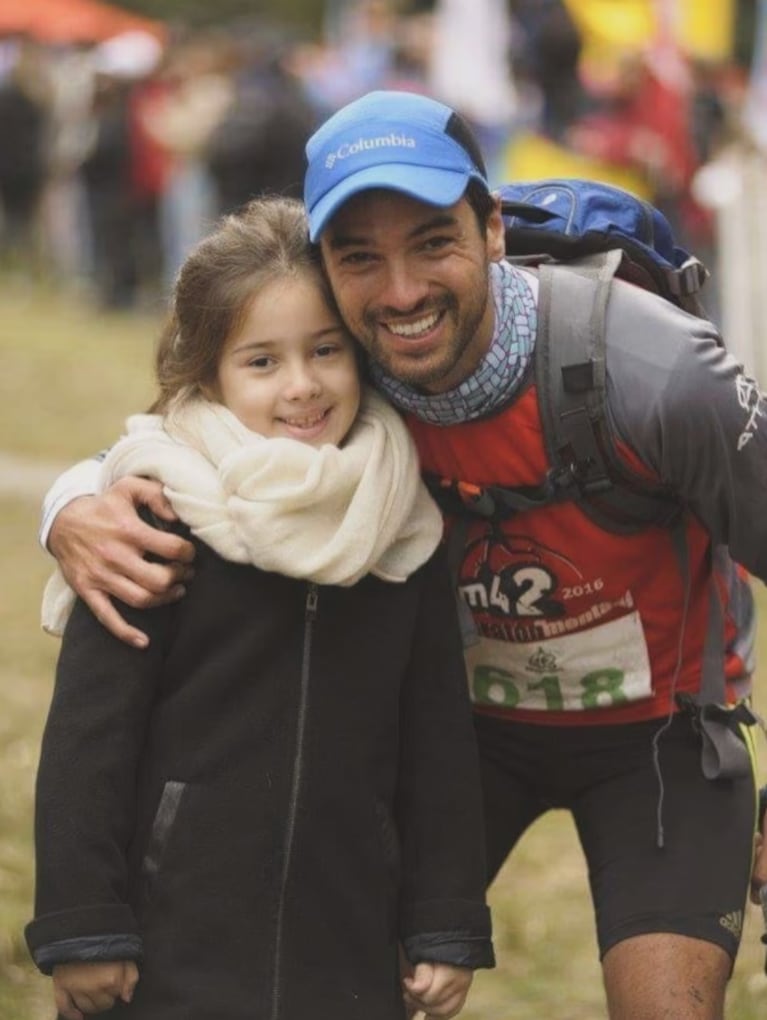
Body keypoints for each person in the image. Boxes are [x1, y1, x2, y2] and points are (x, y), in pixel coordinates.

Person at [39, 90, 767, 1018]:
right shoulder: (345, 364)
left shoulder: (656, 374)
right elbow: (185, 447)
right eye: (360, 260)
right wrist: (68, 505)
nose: (402, 291)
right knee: (342, 981)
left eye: (433, 243)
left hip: (656, 739)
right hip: (460, 739)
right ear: (327, 276)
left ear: (492, 230)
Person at [26, 195, 495, 1020]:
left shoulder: (399, 528)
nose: (302, 386)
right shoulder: (152, 519)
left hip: (348, 948)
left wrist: (443, 924)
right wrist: (84, 929)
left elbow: (437, 749)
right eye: (262, 362)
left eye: (325, 351)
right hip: (169, 949)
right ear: (208, 372)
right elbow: (87, 744)